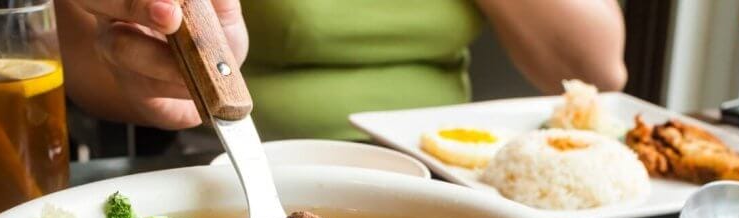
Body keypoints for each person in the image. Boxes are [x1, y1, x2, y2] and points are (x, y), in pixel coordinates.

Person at [56, 0, 626, 140]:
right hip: (223, 155)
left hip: (451, 172)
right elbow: (82, 57)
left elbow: (597, 68)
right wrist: (150, 82)